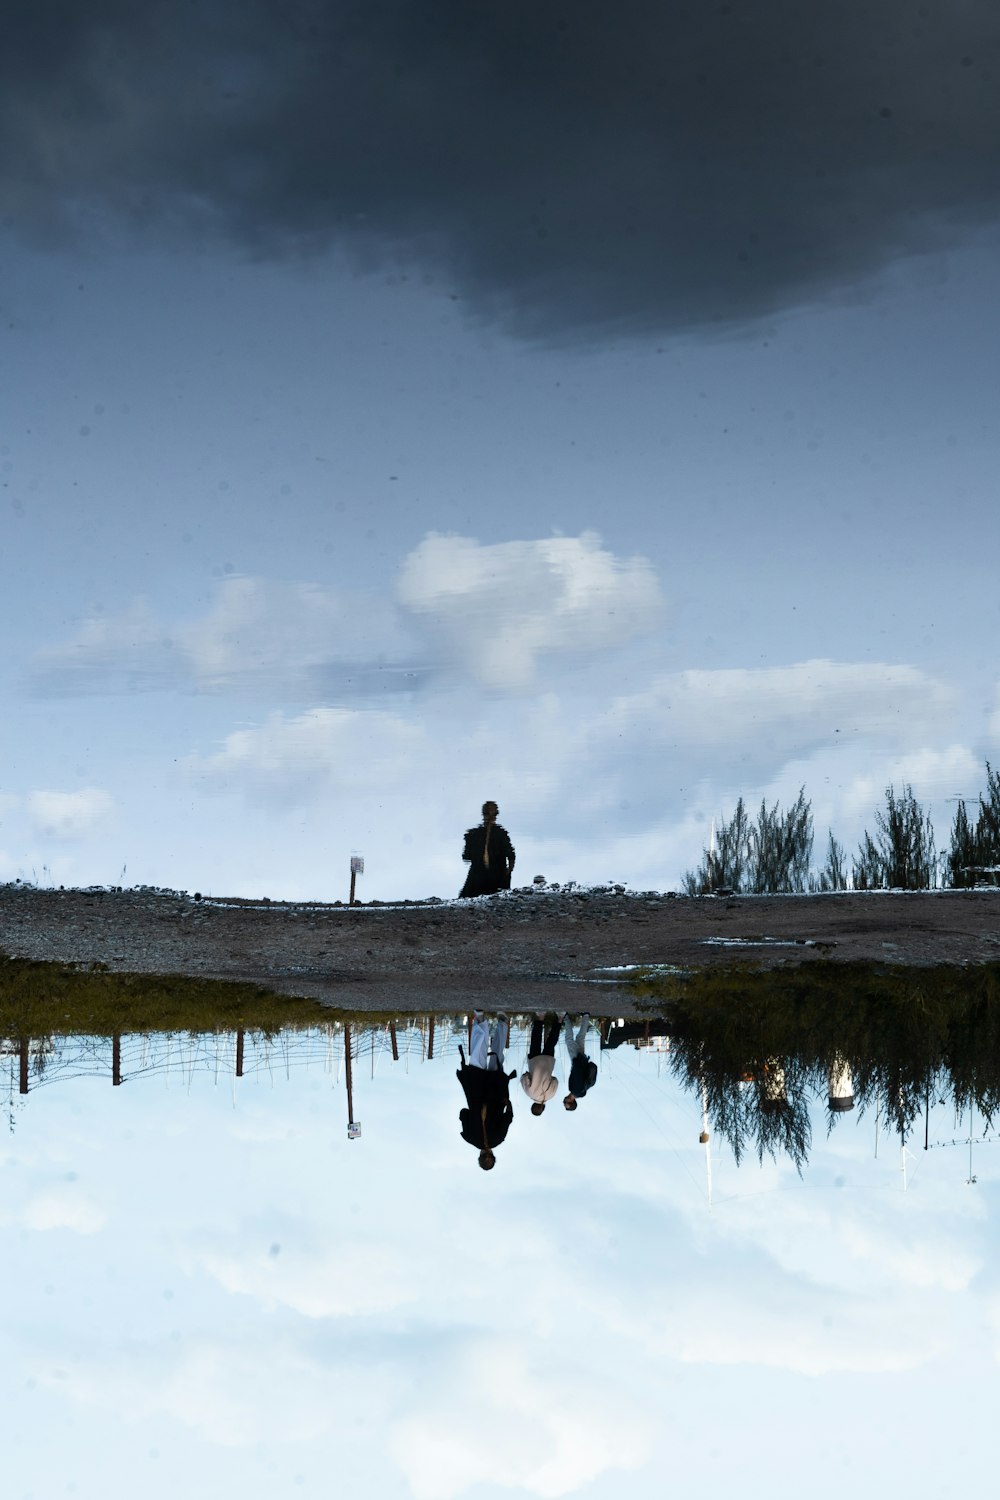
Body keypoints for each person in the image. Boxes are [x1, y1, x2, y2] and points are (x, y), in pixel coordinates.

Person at [457, 1011, 514, 1169]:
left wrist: (507, 1102)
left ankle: (502, 1022)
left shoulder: (498, 1139)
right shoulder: (470, 1138)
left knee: (497, 1055)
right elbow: (463, 1113)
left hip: (496, 1094)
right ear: (479, 1156)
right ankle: (480, 1020)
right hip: (476, 1092)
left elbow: (508, 1117)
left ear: (493, 1156)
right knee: (477, 1056)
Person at [459, 800, 516, 898]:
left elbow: (466, 857)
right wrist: (508, 871)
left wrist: (508, 871)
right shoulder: (500, 834)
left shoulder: (473, 835)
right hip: (491, 878)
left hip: (480, 879)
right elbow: (511, 855)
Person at [521, 1014, 560, 1114]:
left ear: (543, 1108)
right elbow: (524, 1077)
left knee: (551, 1042)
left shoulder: (550, 1095)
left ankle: (560, 1018)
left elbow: (555, 1081)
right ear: (532, 1106)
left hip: (548, 1063)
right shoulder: (529, 1093)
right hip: (534, 1062)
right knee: (536, 1040)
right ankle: (540, 1017)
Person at [563, 1013, 597, 1111]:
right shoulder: (575, 1090)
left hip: (582, 1060)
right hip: (577, 1060)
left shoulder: (581, 1091)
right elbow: (577, 1074)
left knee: (580, 1038)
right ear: (572, 1101)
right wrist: (576, 1061)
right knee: (569, 1040)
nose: (564, 1101)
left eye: (564, 1102)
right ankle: (565, 1018)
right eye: (566, 1102)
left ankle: (586, 1017)